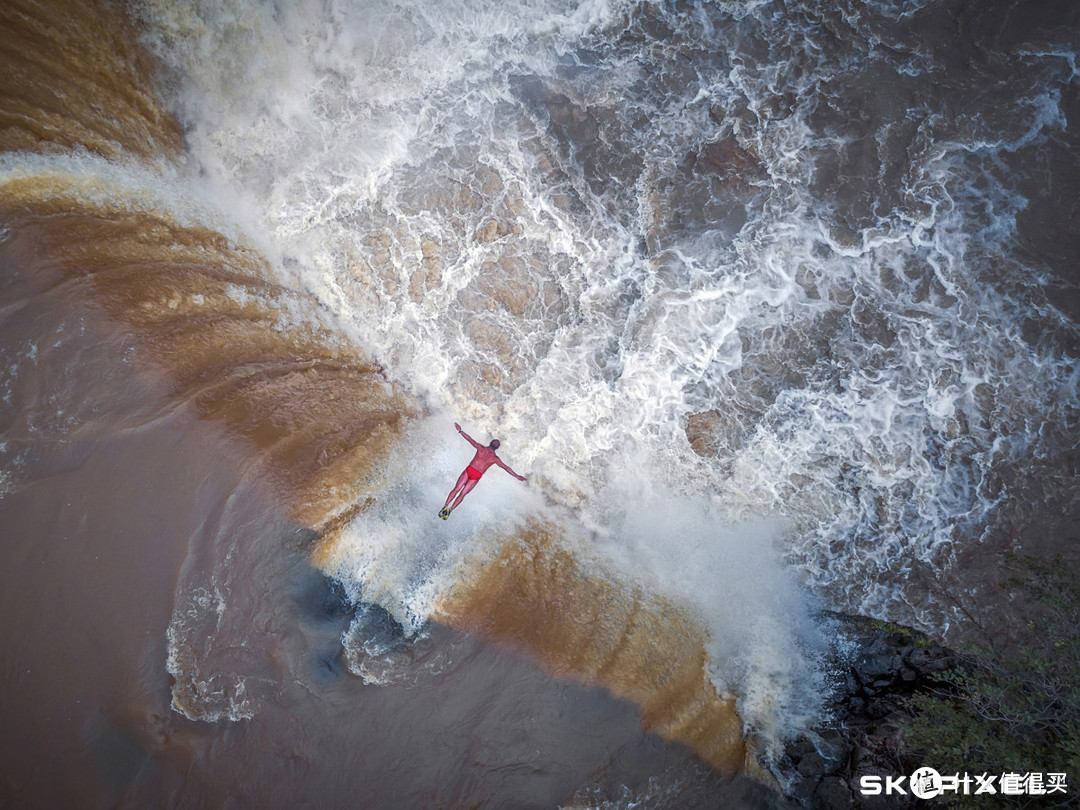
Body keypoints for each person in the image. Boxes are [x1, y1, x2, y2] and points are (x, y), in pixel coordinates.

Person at [439, 423, 526, 519]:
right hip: (476, 475)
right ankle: (449, 510)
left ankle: (445, 507)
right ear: (497, 448)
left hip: (469, 470)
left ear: (490, 443)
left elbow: (470, 439)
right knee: (462, 494)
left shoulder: (481, 448)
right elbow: (506, 468)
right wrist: (517, 476)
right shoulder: (495, 458)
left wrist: (460, 431)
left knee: (457, 489)